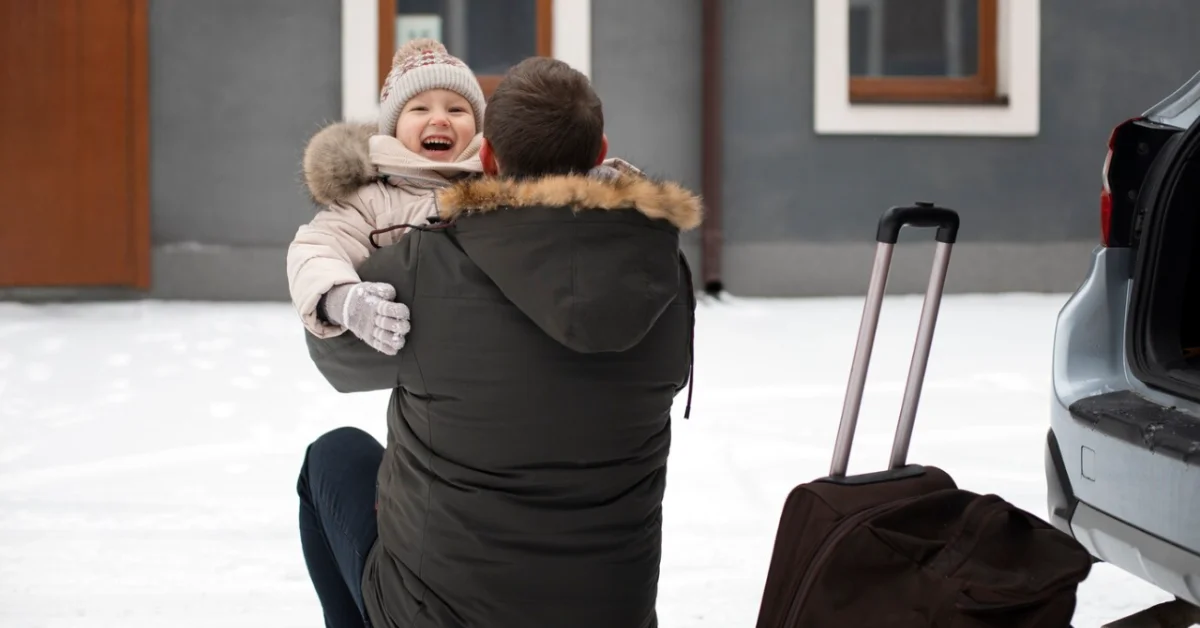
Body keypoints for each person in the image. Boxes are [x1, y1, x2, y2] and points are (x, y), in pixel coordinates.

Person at [296, 55, 701, 628]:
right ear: (600, 150)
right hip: (612, 615)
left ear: (486, 156)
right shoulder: (659, 271)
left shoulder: (427, 263)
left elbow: (334, 359)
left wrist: (348, 282)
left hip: (439, 616)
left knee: (333, 457)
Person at [286, 37, 486, 355]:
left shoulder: (501, 182)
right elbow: (316, 248)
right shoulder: (373, 199)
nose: (440, 119)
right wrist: (343, 300)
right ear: (392, 129)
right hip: (421, 368)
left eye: (457, 109)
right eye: (420, 108)